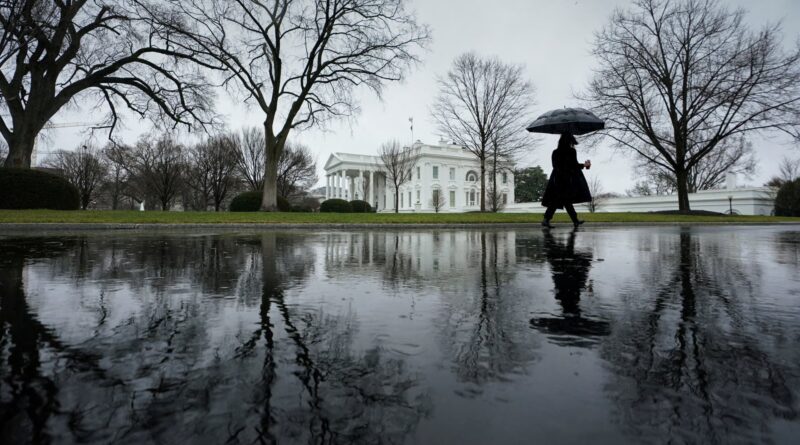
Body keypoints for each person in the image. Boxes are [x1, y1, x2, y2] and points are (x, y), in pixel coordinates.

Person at [540, 133, 592, 228]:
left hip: (556, 179)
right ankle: (573, 221)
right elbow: (574, 165)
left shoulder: (555, 152)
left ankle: (547, 220)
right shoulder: (571, 151)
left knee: (559, 201)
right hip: (567, 180)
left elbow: (555, 166)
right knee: (564, 201)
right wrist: (585, 165)